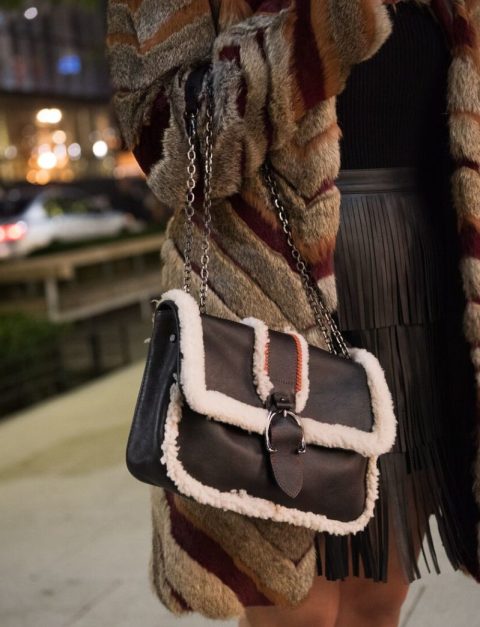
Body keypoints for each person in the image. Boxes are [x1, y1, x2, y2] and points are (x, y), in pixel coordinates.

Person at [107, 1, 480, 625]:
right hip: (270, 307)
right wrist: (323, 25)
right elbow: (171, 149)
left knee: (379, 600)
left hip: (423, 295)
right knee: (294, 610)